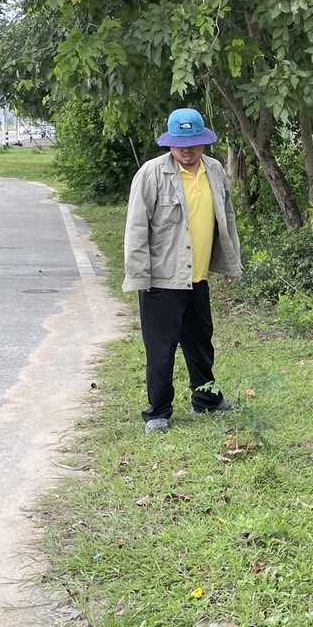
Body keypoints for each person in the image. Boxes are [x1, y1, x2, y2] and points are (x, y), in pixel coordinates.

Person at [123, 107, 243, 434]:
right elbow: (136, 228)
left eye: (192, 143)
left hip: (198, 276)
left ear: (203, 142)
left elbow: (226, 219)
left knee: (200, 343)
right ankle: (158, 412)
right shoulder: (151, 174)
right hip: (161, 279)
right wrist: (140, 275)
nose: (186, 150)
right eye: (179, 143)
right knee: (161, 350)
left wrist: (230, 262)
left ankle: (207, 401)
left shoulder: (215, 170)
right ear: (169, 143)